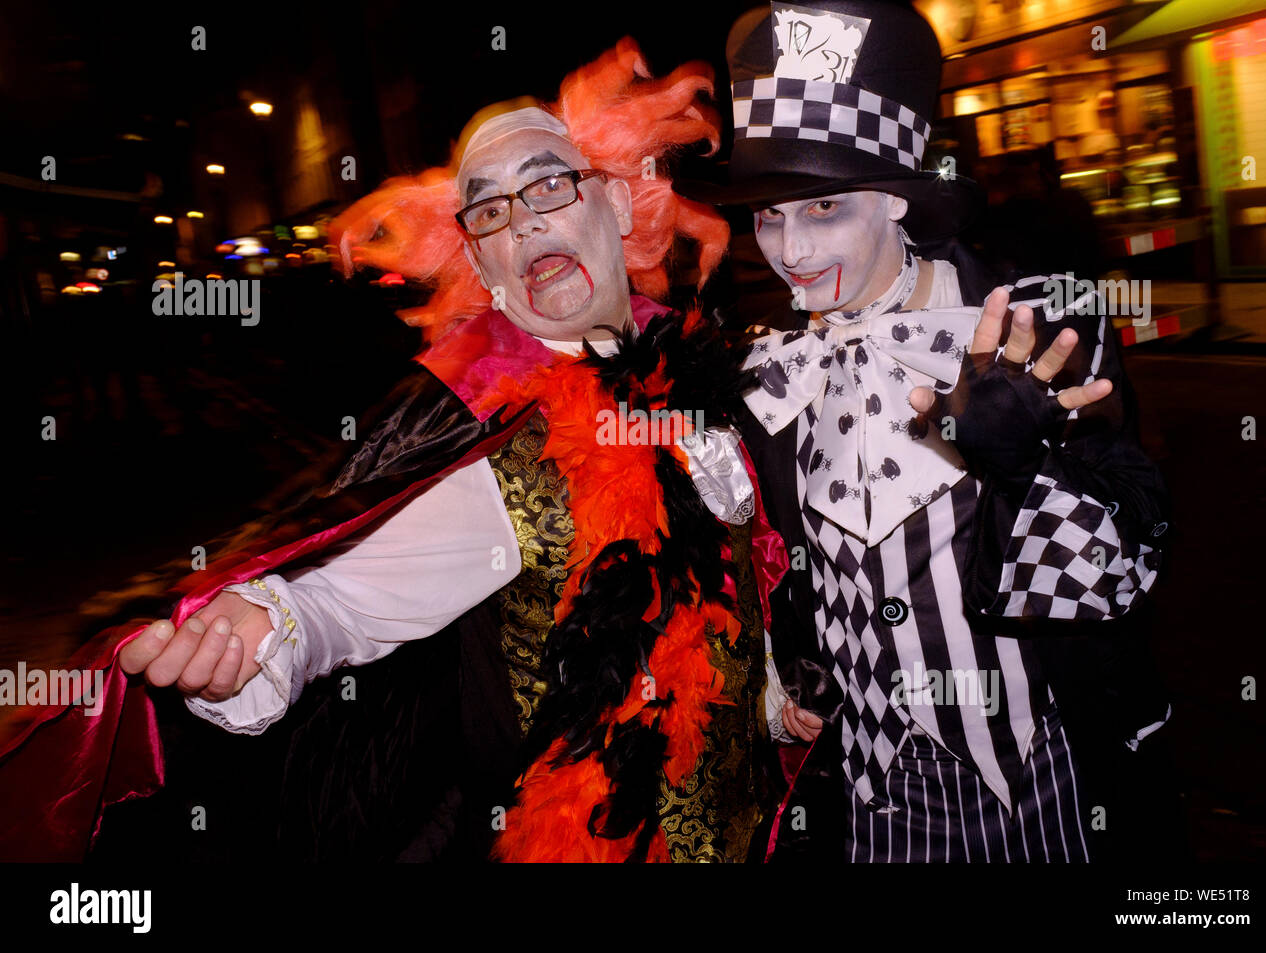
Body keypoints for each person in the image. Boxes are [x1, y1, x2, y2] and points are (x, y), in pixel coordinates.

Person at [0, 39, 785, 863]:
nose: (524, 221)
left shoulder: (703, 375)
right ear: (482, 260)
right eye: (490, 211)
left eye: (550, 185)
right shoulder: (487, 451)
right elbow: (341, 601)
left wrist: (768, 696)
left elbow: (741, 579)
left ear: (618, 206)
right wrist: (264, 626)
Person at [677, 0, 1174, 861]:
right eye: (769, 215)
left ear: (897, 202)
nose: (789, 250)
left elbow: (1122, 576)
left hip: (1044, 786)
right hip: (870, 804)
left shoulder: (1038, 328)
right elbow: (770, 569)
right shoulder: (764, 374)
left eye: (823, 207)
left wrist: (1023, 469)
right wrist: (786, 672)